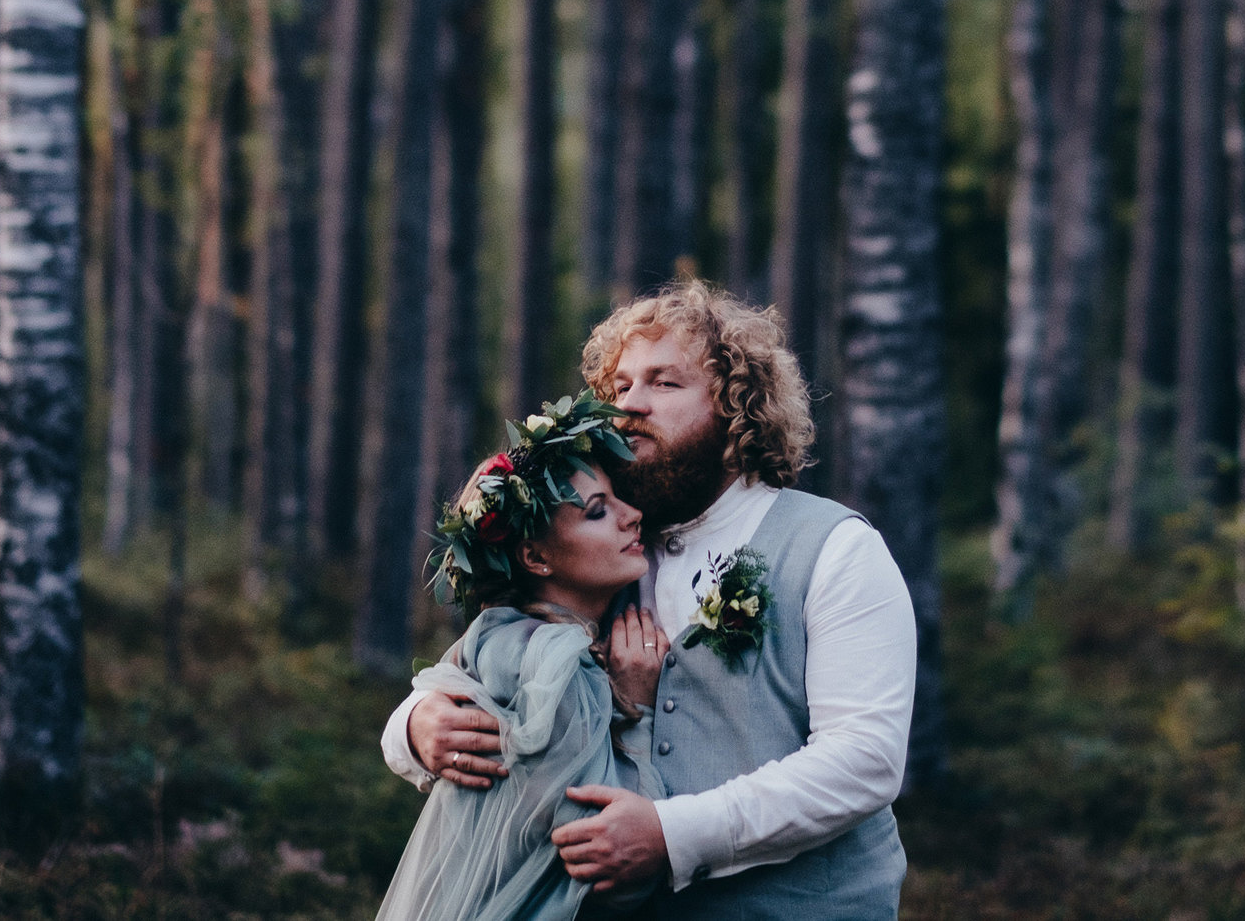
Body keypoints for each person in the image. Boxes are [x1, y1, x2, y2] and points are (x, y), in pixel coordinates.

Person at [383, 281, 916, 918]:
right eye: (621, 386)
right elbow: (477, 665)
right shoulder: (603, 550)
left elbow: (864, 761)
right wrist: (417, 730)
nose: (630, 406)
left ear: (737, 405)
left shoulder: (836, 550)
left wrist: (672, 835)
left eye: (664, 384)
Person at [371, 392, 676, 921]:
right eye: (598, 512)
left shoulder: (501, 638)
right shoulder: (549, 663)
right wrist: (640, 715)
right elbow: (610, 872)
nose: (633, 516)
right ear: (534, 557)